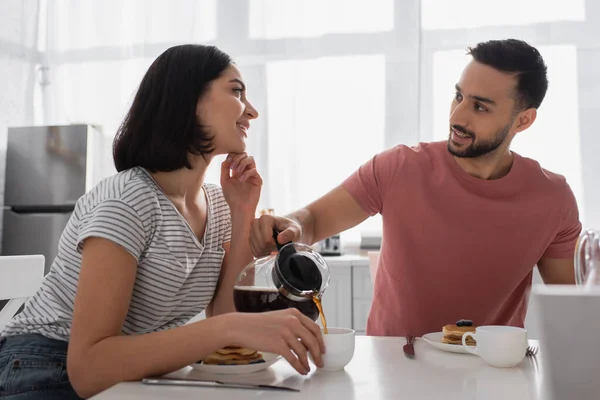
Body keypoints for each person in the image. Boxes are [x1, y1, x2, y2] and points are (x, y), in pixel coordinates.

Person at [0, 44, 324, 400]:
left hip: (122, 375)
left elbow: (226, 320)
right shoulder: (127, 201)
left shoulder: (218, 204)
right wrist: (229, 327)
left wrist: (243, 212)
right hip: (41, 369)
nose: (252, 111)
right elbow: (88, 367)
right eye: (236, 90)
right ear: (187, 99)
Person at [250, 39, 582, 338]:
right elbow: (313, 219)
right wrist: (293, 224)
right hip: (393, 365)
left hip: (493, 371)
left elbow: (571, 308)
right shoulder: (399, 167)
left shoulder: (553, 199)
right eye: (458, 96)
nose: (458, 115)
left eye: (480, 106)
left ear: (523, 120)